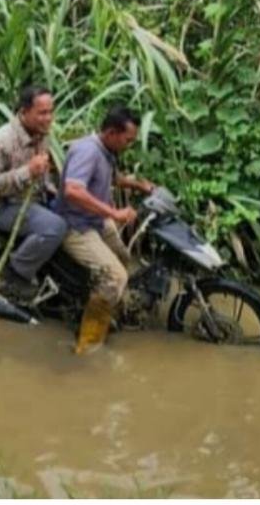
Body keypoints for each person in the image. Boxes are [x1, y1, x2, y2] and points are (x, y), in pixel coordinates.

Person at [52, 106, 154, 354]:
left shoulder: (107, 150)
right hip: (75, 224)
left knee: (124, 258)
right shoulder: (87, 151)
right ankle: (88, 343)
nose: (129, 144)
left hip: (95, 220)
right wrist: (113, 213)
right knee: (115, 277)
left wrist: (138, 185)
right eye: (128, 139)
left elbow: (110, 177)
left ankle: (106, 308)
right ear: (111, 133)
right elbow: (73, 190)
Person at [0, 85, 67, 300]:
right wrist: (27, 172)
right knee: (55, 227)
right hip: (5, 206)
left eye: (50, 112)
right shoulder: (2, 140)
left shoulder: (42, 134)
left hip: (37, 199)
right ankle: (15, 275)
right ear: (24, 112)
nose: (48, 118)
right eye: (42, 113)